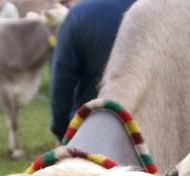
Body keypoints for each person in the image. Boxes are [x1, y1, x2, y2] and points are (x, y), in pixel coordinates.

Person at [47, 0, 133, 140]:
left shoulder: (79, 15)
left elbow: (62, 79)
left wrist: (61, 130)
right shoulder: (154, 11)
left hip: (91, 129)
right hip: (144, 128)